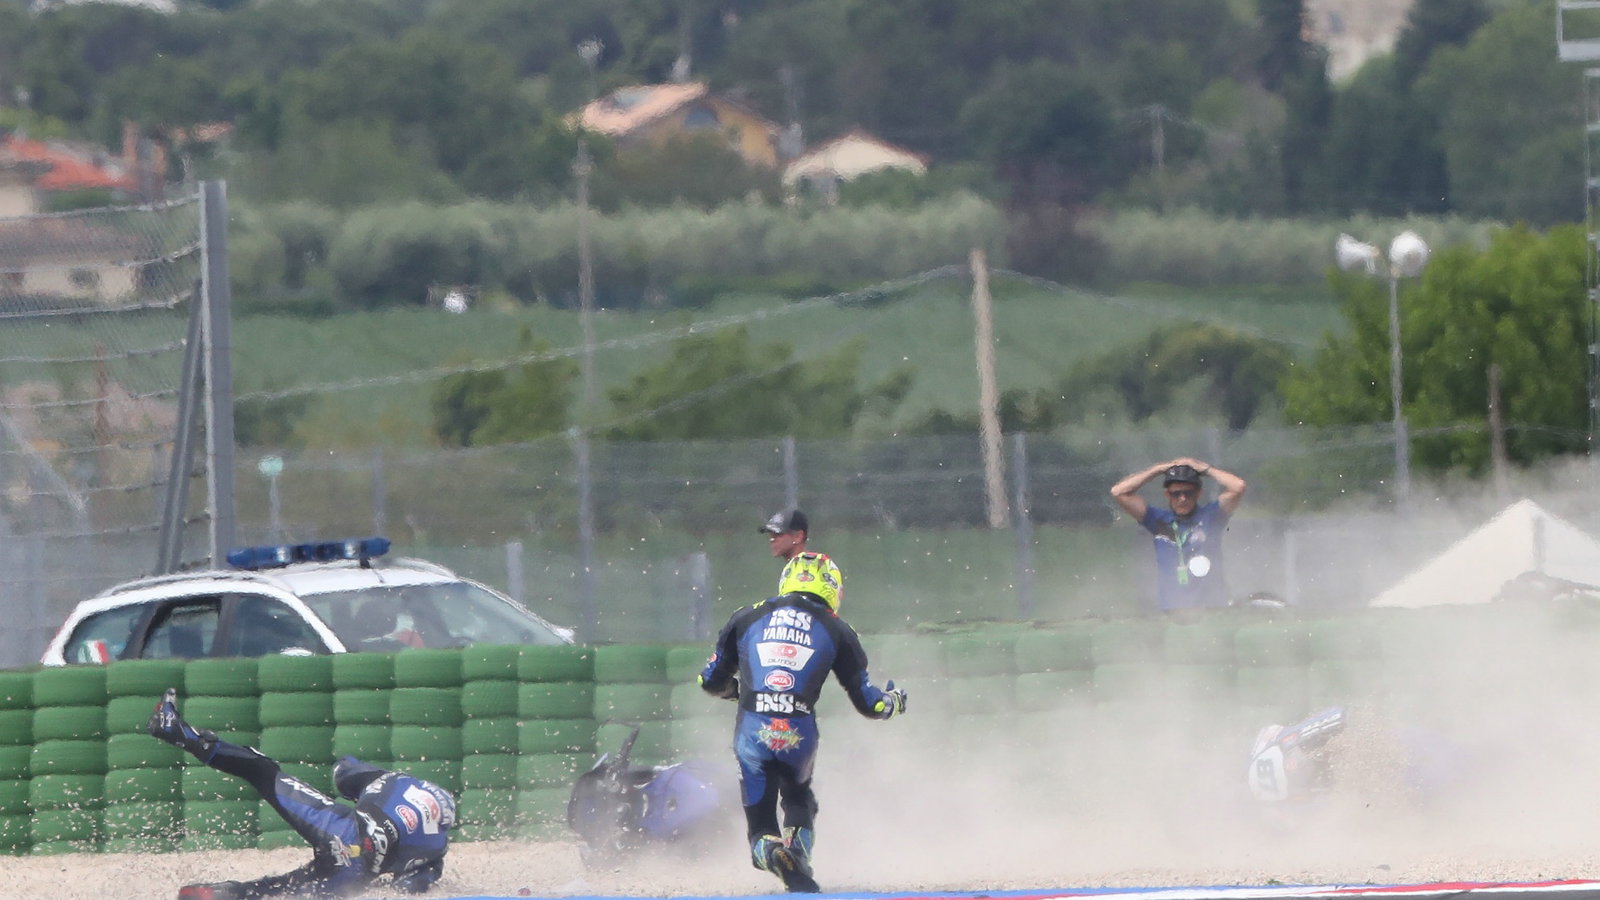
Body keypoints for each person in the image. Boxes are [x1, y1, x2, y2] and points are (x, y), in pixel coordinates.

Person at [698, 552, 907, 894]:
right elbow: (871, 703)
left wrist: (733, 691)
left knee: (761, 828)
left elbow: (709, 680)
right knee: (799, 797)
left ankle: (771, 850)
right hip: (798, 731)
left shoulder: (747, 616)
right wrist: (894, 703)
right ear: (833, 589)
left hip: (753, 729)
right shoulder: (837, 628)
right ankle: (797, 857)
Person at [148, 688, 457, 899]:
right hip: (353, 873)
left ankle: (181, 734)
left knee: (264, 772)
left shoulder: (393, 781)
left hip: (338, 828)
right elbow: (409, 889)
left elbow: (342, 774)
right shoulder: (436, 850)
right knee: (283, 890)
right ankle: (222, 893)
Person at [1110, 457, 1247, 612]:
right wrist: (1159, 469)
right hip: (1172, 610)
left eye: (1188, 493)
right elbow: (1119, 492)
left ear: (1198, 494)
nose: (1182, 499)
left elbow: (1238, 486)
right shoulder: (1158, 520)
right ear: (1168, 495)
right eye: (1176, 494)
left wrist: (1203, 468)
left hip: (1212, 608)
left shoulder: (1212, 516)